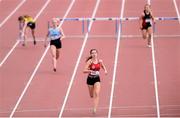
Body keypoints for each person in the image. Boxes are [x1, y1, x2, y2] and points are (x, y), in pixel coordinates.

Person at [83, 49, 107, 114]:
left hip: (97, 79)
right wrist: (90, 71)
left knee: (97, 93)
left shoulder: (100, 61)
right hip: (90, 79)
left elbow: (102, 66)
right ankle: (93, 93)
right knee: (91, 95)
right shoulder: (89, 62)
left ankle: (94, 109)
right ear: (91, 54)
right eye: (92, 53)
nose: (94, 54)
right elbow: (84, 70)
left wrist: (105, 70)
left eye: (95, 53)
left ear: (97, 54)